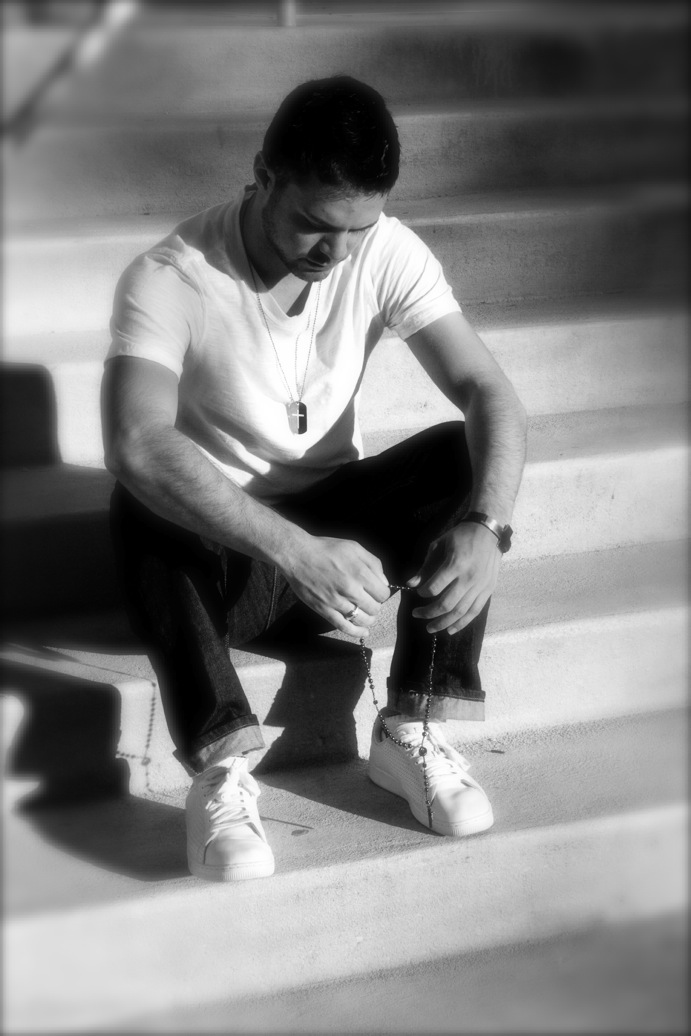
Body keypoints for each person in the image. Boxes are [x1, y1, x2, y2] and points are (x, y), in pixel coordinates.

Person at [102, 75, 527, 883]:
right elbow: (135, 439)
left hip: (341, 550)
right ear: (264, 176)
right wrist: (295, 550)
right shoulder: (173, 275)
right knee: (145, 489)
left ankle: (412, 727)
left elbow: (489, 392)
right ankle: (223, 768)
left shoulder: (384, 249)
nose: (335, 253)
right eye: (314, 225)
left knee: (462, 455)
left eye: (356, 230)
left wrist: (488, 528)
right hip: (225, 563)